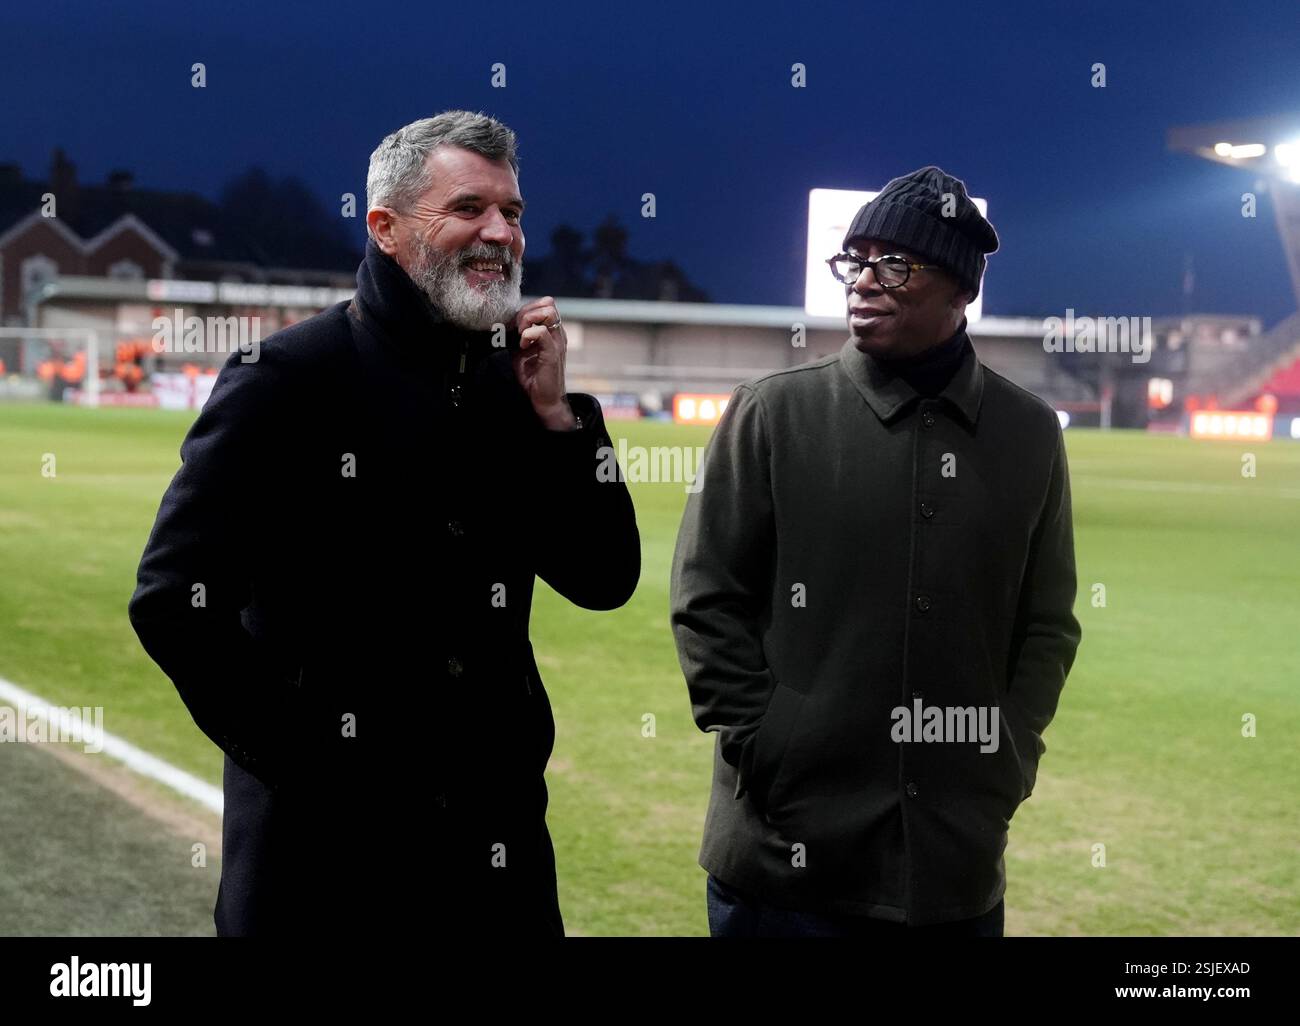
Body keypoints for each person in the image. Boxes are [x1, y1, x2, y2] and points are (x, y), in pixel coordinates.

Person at [128, 110, 640, 938]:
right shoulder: (288, 377)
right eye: (468, 208)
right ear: (386, 226)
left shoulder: (520, 387)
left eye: (511, 212)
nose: (499, 232)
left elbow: (606, 577)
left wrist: (560, 421)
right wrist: (313, 764)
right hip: (322, 870)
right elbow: (172, 602)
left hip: (497, 859)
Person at [670, 166, 1081, 936]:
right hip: (781, 869)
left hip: (953, 873)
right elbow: (706, 600)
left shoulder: (1028, 433)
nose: (864, 281)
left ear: (961, 289)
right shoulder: (772, 412)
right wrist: (769, 747)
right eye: (854, 261)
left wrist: (1007, 757)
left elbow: (1049, 622)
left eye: (895, 263)